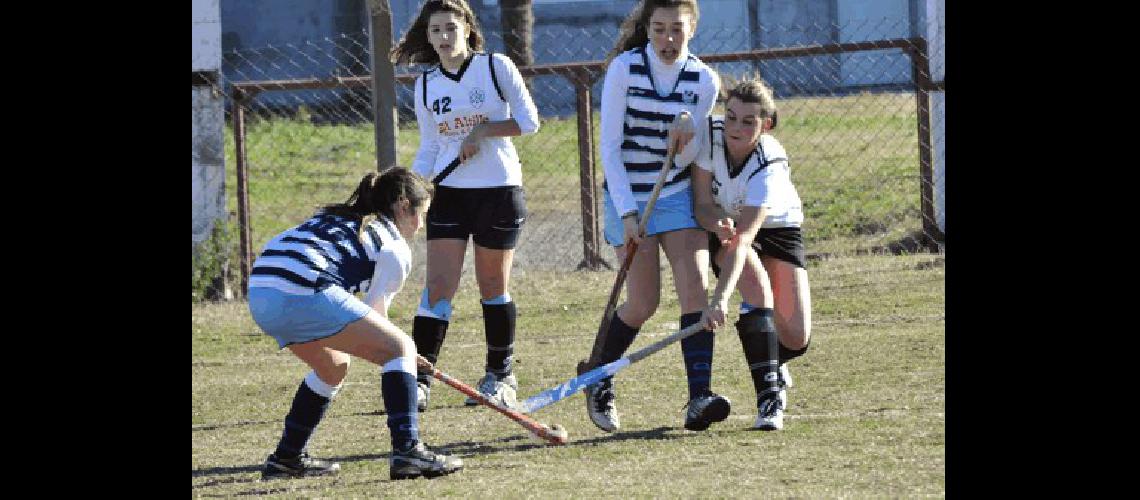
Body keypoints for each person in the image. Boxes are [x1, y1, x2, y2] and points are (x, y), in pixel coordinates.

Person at [247, 168, 464, 480]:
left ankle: (286, 458)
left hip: (261, 292)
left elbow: (370, 326)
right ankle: (408, 452)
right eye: (422, 214)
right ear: (403, 206)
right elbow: (377, 319)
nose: (420, 226)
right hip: (302, 289)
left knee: (332, 366)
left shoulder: (338, 216)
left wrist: (396, 353)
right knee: (400, 345)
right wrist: (404, 356)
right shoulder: (393, 244)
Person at [390, 0, 541, 412]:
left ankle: (500, 375)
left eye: (450, 29)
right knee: (438, 288)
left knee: (493, 286)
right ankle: (419, 380)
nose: (442, 38)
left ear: (468, 31)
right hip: (449, 193)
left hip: (498, 190)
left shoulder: (495, 67)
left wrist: (485, 130)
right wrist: (416, 191)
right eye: (435, 31)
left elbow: (529, 122)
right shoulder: (425, 85)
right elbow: (431, 144)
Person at [586, 0, 726, 433]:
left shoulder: (704, 81)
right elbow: (609, 147)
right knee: (644, 302)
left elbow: (688, 154)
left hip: (676, 193)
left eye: (677, 30)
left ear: (692, 30)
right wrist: (628, 214)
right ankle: (599, 378)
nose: (668, 40)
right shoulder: (625, 69)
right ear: (647, 28)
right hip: (628, 195)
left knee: (695, 292)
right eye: (660, 29)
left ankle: (699, 397)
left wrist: (685, 134)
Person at [692, 75, 813, 431]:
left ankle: (772, 358)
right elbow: (701, 204)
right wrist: (716, 223)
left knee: (796, 337)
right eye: (730, 116)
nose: (736, 127)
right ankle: (769, 401)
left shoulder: (769, 161)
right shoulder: (710, 138)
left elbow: (746, 239)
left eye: (748, 121)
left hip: (777, 228)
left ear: (766, 124)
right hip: (725, 226)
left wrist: (720, 299)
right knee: (758, 291)